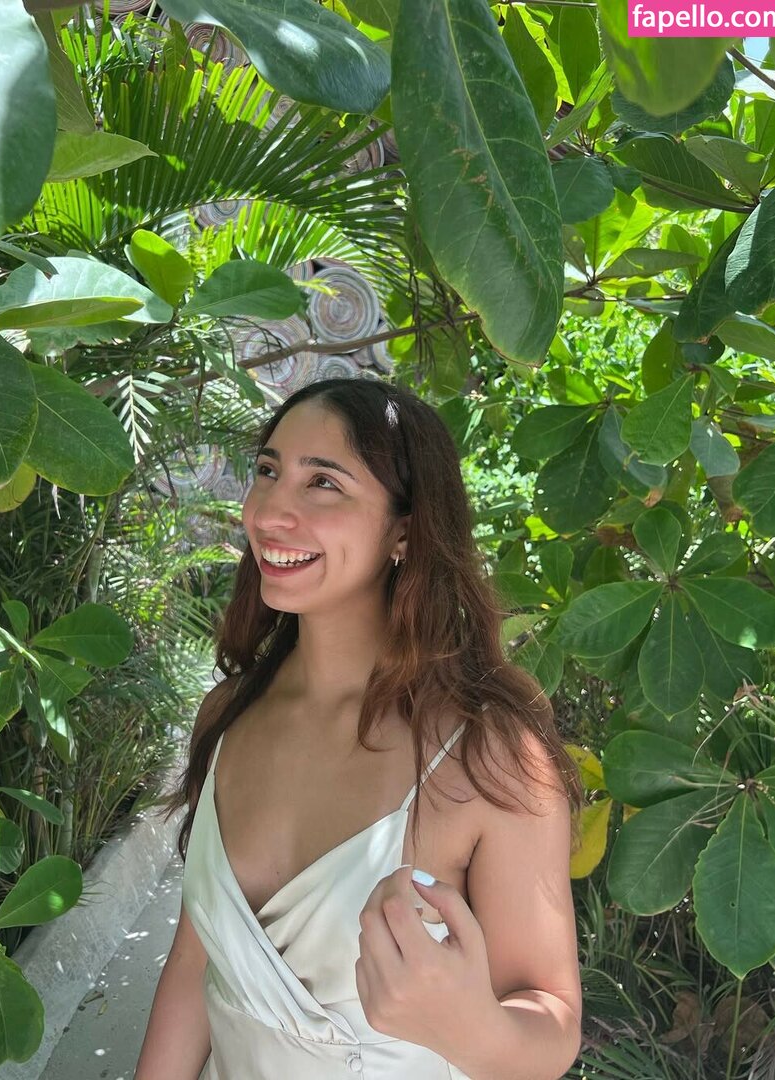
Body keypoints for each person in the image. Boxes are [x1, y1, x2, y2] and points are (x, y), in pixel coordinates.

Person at [138, 377, 584, 1080]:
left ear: (404, 530)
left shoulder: (487, 754)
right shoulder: (227, 715)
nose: (270, 511)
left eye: (323, 483)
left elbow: (551, 1019)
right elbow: (198, 961)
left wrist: (476, 1029)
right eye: (268, 471)